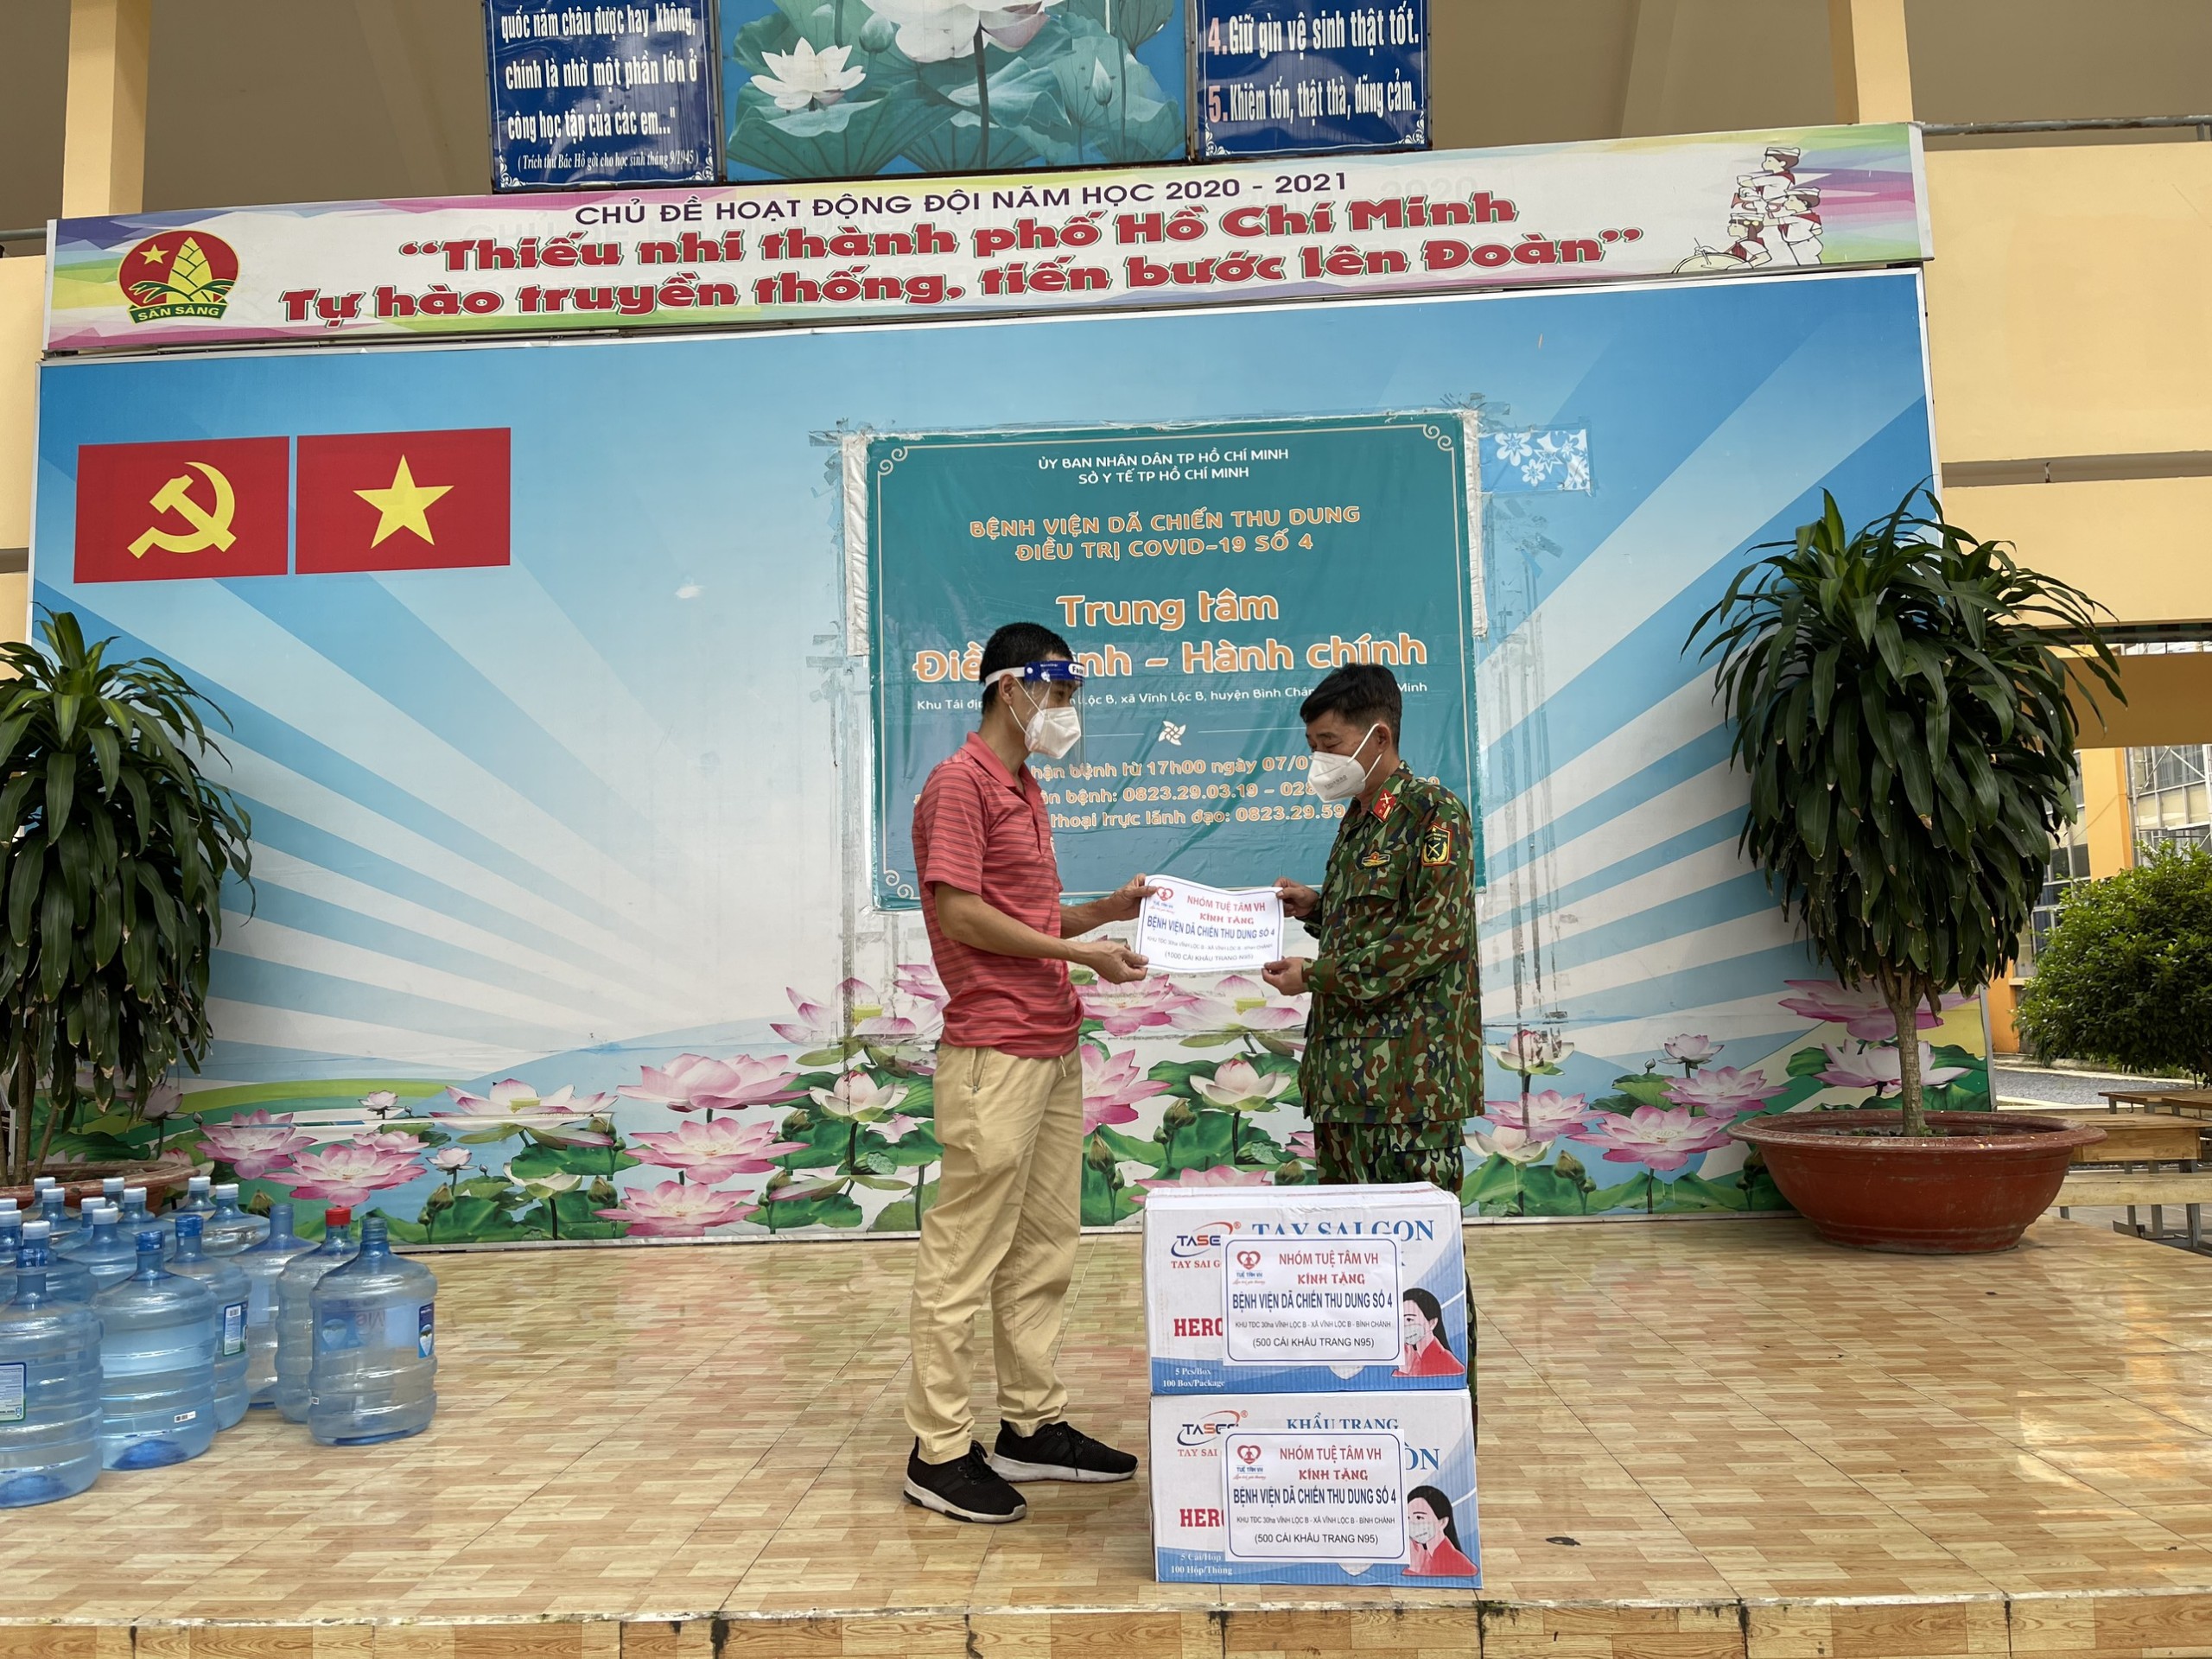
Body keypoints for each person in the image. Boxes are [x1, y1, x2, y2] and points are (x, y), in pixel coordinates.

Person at [902, 620, 1156, 1525]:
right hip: (993, 1051)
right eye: (1059, 693)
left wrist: (1107, 911)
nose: (1066, 711)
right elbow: (964, 916)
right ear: (1010, 688)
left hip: (1050, 1044)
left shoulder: (1025, 787)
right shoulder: (960, 783)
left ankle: (1030, 1424)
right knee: (964, 1252)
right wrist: (1082, 954)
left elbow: (1031, 915)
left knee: (1045, 1246)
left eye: (1072, 695)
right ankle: (938, 1451)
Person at [1262, 664, 1479, 1190]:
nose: (1320, 759)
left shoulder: (1434, 814)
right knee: (1346, 1235)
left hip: (1411, 1084)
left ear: (1379, 737)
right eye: (1313, 746)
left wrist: (1313, 975)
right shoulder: (1359, 820)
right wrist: (1316, 907)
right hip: (1344, 1079)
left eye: (1330, 743)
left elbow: (1433, 936)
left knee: (1416, 1236)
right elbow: (1372, 921)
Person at [1404, 1484, 1478, 1577]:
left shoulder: (1458, 1564)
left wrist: (1415, 1569)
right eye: (1408, 1518)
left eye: (1419, 1517)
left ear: (1442, 1522)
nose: (1411, 1524)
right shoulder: (1423, 1556)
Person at [1394, 1287, 1465, 1378]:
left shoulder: (1448, 1365)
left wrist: (1405, 1371)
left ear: (1432, 1323)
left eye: (1409, 1320)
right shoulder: (1413, 1358)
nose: (1404, 1326)